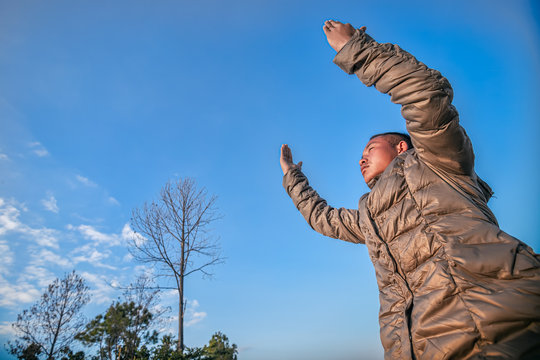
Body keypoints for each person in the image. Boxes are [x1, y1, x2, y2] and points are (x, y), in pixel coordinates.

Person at [280, 20, 540, 359]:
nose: (361, 160)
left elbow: (426, 96)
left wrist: (356, 49)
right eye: (359, 157)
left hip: (502, 331)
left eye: (369, 150)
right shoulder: (369, 216)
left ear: (401, 147)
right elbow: (322, 218)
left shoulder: (436, 162)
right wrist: (292, 178)